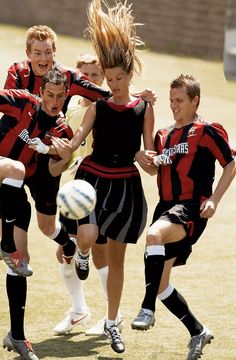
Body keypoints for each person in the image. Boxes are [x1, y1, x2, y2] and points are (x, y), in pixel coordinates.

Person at [4, 25, 156, 330]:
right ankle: (70, 307)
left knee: (61, 234)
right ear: (28, 55)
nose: (43, 58)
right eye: (38, 53)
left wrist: (135, 96)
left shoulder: (77, 96)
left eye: (48, 52)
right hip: (30, 162)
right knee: (47, 240)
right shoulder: (24, 82)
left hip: (60, 170)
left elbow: (106, 96)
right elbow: (11, 111)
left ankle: (107, 313)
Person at [69, 0, 156, 353]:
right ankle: (83, 252)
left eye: (120, 78)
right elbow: (78, 140)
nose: (115, 84)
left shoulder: (144, 109)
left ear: (129, 76)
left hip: (125, 187)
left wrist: (147, 158)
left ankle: (111, 322)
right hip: (92, 179)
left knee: (118, 261)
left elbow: (150, 159)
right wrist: (62, 147)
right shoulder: (98, 107)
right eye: (110, 79)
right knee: (87, 236)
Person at [131, 74, 236, 360]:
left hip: (190, 208)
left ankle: (146, 308)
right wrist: (144, 160)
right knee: (162, 284)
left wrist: (214, 199)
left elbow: (231, 163)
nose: (174, 105)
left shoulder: (206, 130)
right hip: (164, 208)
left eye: (180, 100)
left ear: (195, 101)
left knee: (154, 235)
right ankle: (197, 331)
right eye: (171, 101)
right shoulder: (164, 135)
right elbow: (156, 170)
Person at [0, 69, 74, 360]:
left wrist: (64, 156)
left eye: (60, 96)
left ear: (66, 95)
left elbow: (54, 170)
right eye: (49, 94)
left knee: (21, 262)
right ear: (41, 91)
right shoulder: (20, 101)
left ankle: (16, 335)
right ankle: (6, 245)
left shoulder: (62, 131)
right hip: (4, 170)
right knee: (16, 168)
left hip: (11, 189)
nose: (54, 101)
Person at [50, 54, 123, 336]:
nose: (90, 80)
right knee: (63, 252)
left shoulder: (105, 108)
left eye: (96, 75)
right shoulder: (69, 108)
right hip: (72, 189)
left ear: (103, 80)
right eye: (85, 75)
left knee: (100, 253)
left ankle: (111, 318)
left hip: (98, 187)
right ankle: (79, 311)